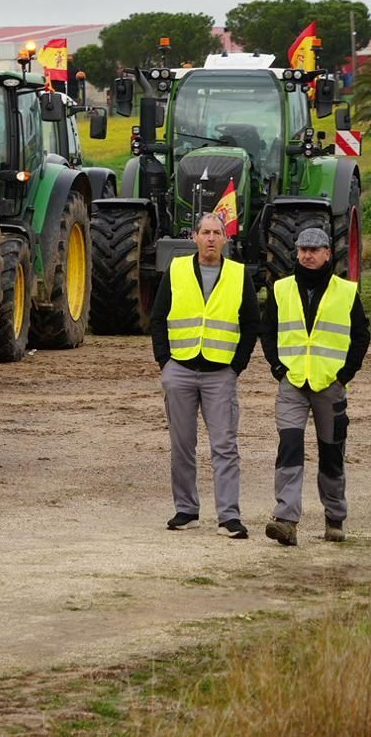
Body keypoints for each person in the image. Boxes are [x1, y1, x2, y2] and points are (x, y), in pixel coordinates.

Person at [150, 211, 259, 539]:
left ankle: (229, 516)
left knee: (225, 445)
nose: (211, 238)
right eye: (205, 232)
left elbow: (251, 323)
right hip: (180, 370)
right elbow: (158, 317)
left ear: (225, 239)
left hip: (220, 373)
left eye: (216, 233)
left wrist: (237, 365)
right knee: (182, 445)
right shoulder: (176, 269)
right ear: (194, 237)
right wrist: (165, 362)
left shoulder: (239, 274)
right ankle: (186, 510)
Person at [260, 226, 371, 546]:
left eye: (314, 250)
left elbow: (361, 335)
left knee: (331, 454)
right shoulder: (281, 289)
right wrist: (278, 368)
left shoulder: (346, 292)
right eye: (303, 250)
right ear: (296, 252)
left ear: (327, 254)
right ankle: (286, 520)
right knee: (290, 447)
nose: (307, 255)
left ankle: (334, 519)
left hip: (329, 385)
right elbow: (267, 331)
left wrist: (344, 375)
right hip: (292, 383)